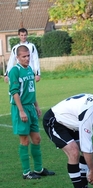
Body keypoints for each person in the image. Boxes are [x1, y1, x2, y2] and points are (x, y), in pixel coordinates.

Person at [8, 45, 55, 179]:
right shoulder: (14, 71)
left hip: (31, 107)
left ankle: (39, 169)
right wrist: (21, 111)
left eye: (28, 56)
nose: (27, 58)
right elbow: (14, 93)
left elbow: (31, 89)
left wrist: (37, 106)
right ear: (17, 57)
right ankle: (26, 172)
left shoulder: (29, 69)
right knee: (24, 141)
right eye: (24, 56)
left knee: (36, 139)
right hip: (20, 108)